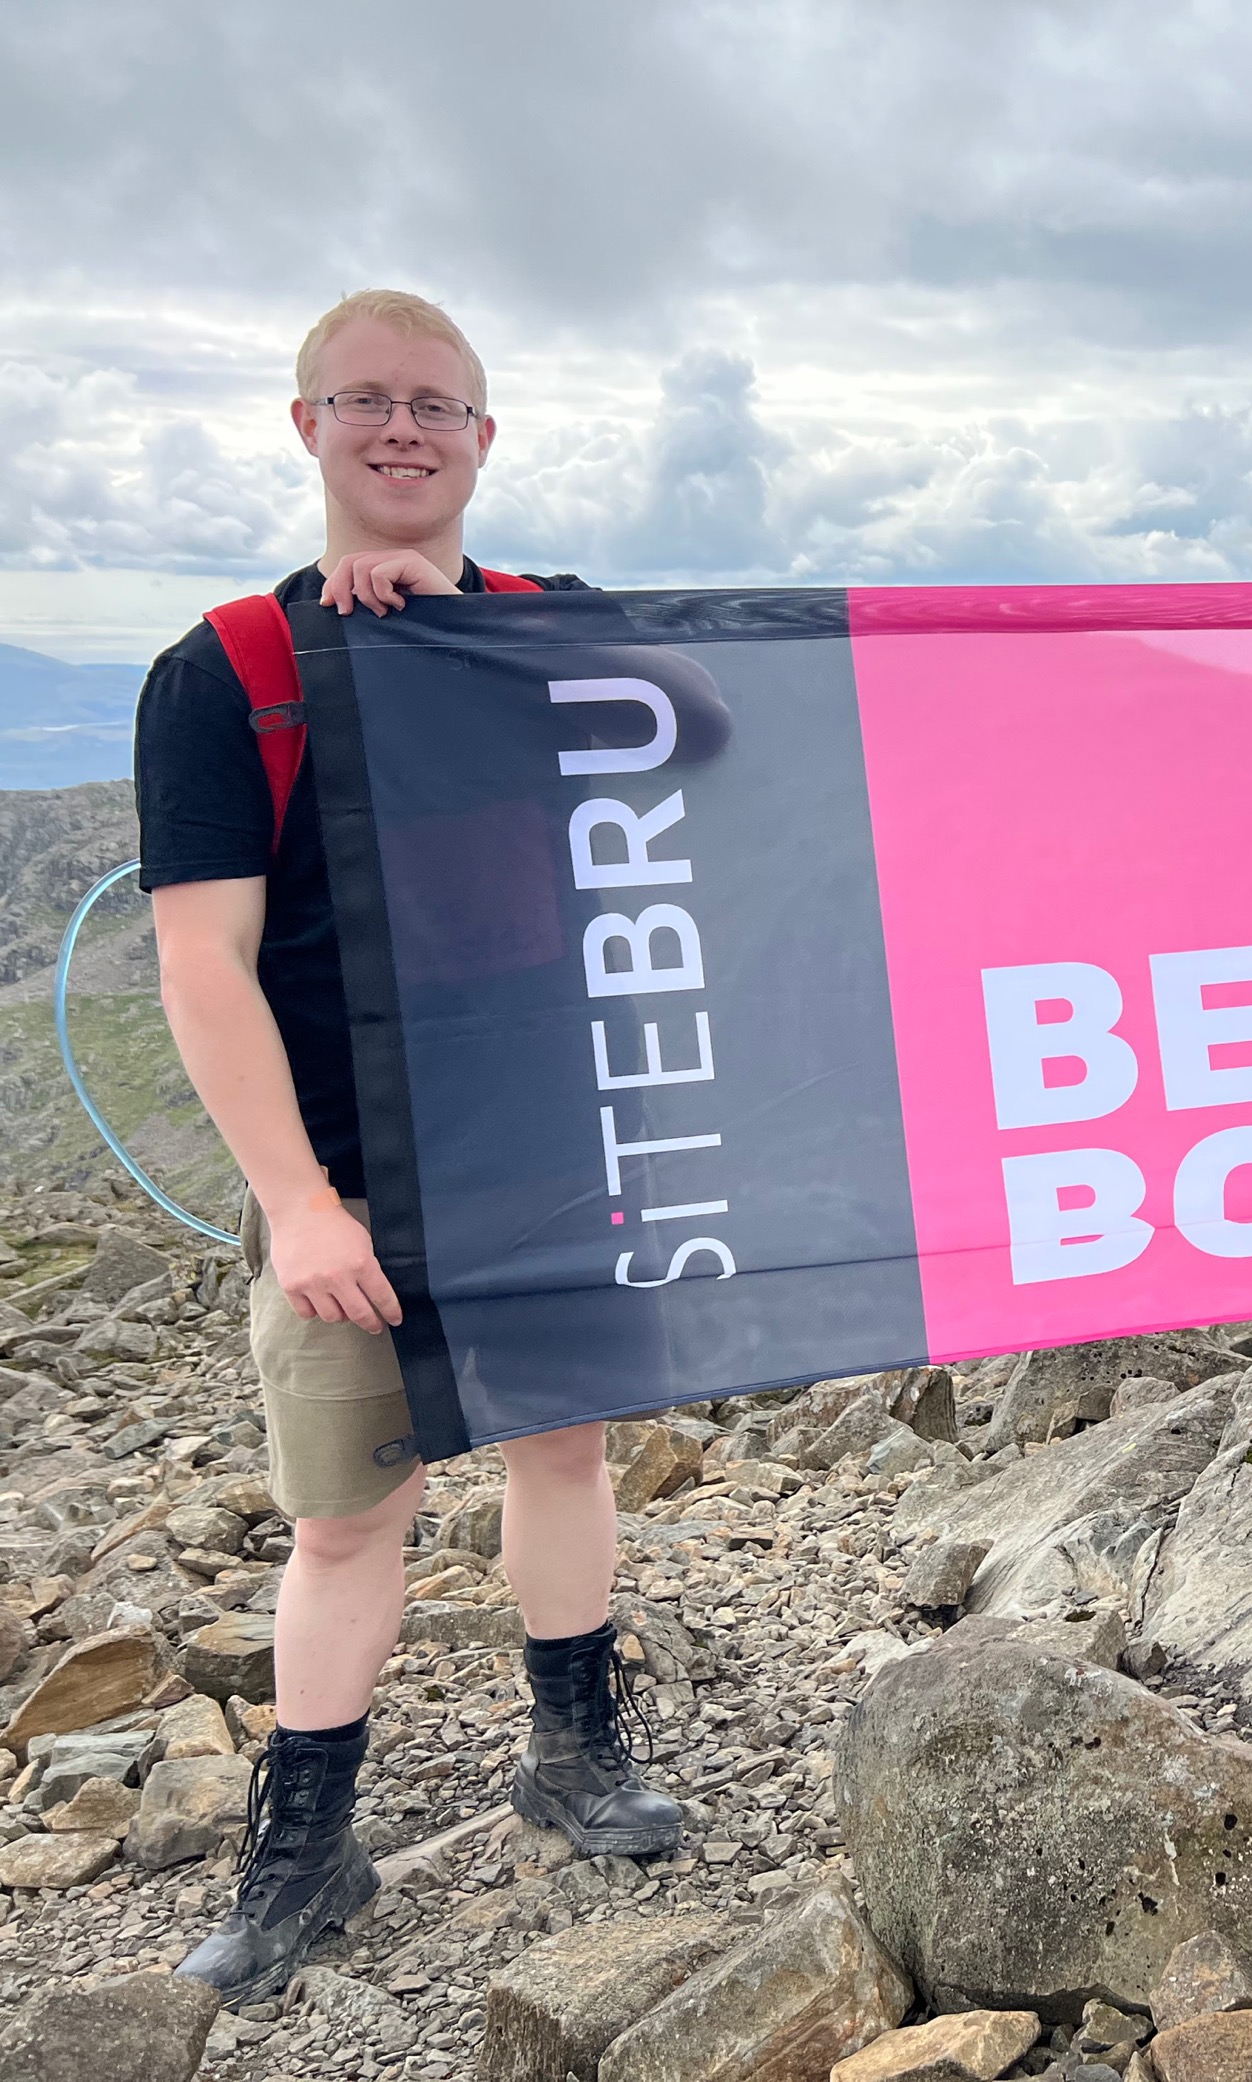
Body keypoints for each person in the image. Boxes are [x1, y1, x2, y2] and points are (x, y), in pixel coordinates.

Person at [140, 290, 680, 2006]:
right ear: (307, 425)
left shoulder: (552, 622)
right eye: (366, 402)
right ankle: (306, 1843)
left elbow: (723, 735)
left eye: (436, 406)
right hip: (349, 1186)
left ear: (483, 438)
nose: (403, 430)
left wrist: (477, 645)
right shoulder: (222, 670)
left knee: (565, 1456)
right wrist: (296, 1201)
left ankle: (574, 1747)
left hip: (545, 1146)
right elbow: (200, 963)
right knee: (352, 1520)